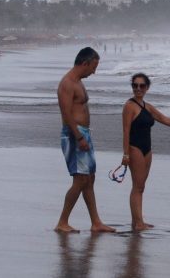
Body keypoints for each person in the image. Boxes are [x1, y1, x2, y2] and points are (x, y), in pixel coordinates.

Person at [121, 73, 170, 231]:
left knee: (141, 186)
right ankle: (138, 223)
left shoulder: (147, 106)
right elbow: (126, 131)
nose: (138, 88)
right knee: (137, 186)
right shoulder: (129, 106)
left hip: (147, 150)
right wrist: (126, 154)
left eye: (142, 86)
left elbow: (165, 120)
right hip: (135, 148)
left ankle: (137, 221)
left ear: (147, 88)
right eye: (135, 85)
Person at [55, 47, 115, 233]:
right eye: (94, 66)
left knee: (89, 178)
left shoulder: (78, 82)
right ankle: (62, 222)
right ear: (84, 63)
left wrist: (84, 134)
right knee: (80, 179)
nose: (94, 71)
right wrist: (79, 136)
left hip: (83, 133)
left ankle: (96, 222)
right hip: (74, 135)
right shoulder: (67, 83)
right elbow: (66, 113)